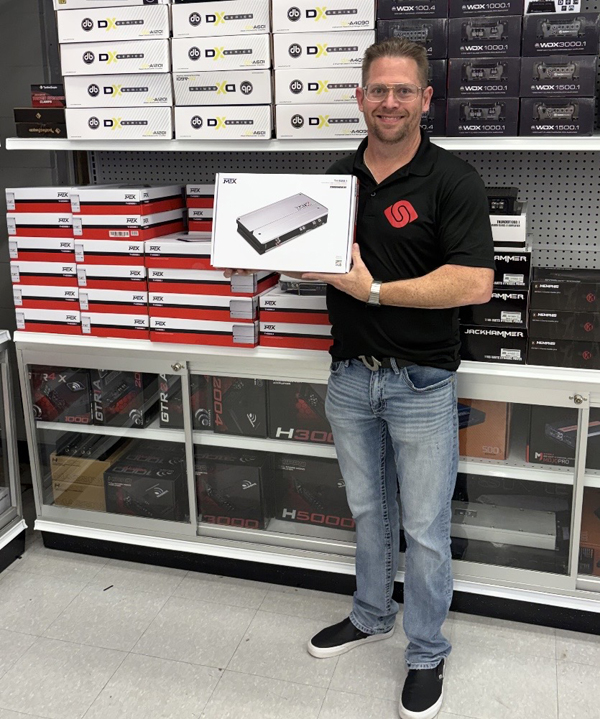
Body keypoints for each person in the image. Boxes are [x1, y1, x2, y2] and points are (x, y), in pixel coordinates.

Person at [224, 37, 495, 719]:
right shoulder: (334, 180)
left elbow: (473, 283)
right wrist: (257, 256)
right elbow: (308, 256)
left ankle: (426, 651)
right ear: (360, 97)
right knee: (371, 512)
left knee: (426, 528)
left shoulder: (453, 180)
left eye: (403, 90)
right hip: (350, 378)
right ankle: (372, 614)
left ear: (425, 99)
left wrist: (373, 291)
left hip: (421, 383)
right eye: (379, 89)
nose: (390, 102)